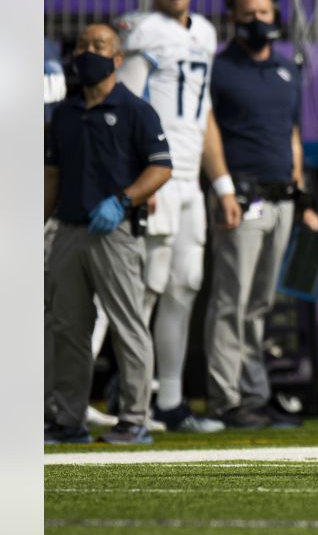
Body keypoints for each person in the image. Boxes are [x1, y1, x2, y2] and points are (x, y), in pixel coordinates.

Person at [44, 23, 173, 445]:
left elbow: (160, 167)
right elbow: (51, 175)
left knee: (127, 324)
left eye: (98, 45)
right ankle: (68, 419)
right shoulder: (63, 114)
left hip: (114, 231)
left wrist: (123, 199)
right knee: (68, 328)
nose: (87, 51)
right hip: (68, 230)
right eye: (82, 44)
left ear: (118, 59)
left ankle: (135, 417)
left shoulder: (135, 110)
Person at [203, 0, 318, 430]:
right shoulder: (220, 69)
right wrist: (224, 189)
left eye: (264, 13)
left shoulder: (288, 69)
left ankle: (253, 392)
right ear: (232, 17)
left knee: (260, 303)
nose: (257, 21)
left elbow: (292, 137)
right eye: (248, 13)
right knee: (231, 300)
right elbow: (207, 131)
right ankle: (224, 397)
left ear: (276, 15)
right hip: (243, 195)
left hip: (280, 200)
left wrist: (301, 194)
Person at [116, 0, 224, 433]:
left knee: (184, 285)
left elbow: (204, 114)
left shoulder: (204, 32)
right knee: (144, 288)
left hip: (189, 180)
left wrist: (222, 184)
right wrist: (141, 176)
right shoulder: (145, 31)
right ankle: (129, 394)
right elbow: (126, 106)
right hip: (157, 174)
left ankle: (172, 401)